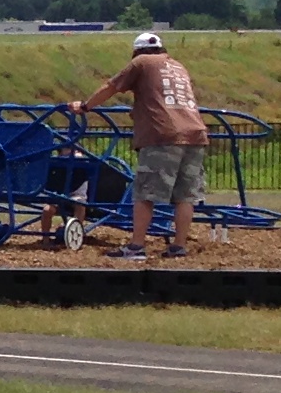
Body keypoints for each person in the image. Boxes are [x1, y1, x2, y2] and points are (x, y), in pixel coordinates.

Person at [81, 32, 209, 260]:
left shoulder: (141, 63)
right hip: (195, 134)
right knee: (185, 196)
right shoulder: (177, 66)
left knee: (144, 194)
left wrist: (85, 106)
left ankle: (136, 246)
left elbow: (111, 87)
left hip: (163, 135)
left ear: (137, 52)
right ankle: (178, 247)